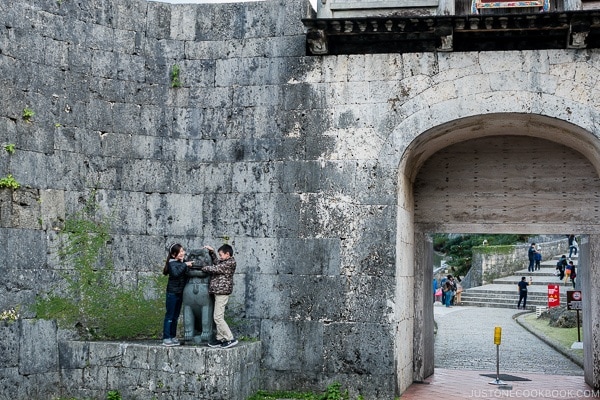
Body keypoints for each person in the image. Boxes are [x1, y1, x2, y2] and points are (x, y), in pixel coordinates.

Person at [201, 244, 238, 349]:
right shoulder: (226, 261)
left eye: (221, 255)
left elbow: (216, 268)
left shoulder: (230, 263)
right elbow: (217, 263)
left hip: (222, 293)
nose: (220, 257)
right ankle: (220, 338)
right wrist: (212, 252)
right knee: (218, 316)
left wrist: (201, 267)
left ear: (228, 254)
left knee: (218, 317)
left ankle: (230, 338)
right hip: (218, 292)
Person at [162, 243, 193, 347]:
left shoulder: (182, 262)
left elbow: (187, 273)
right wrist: (185, 265)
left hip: (180, 293)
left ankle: (173, 336)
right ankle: (166, 337)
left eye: (182, 251)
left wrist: (186, 264)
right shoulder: (172, 264)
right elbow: (176, 274)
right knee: (169, 316)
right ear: (174, 254)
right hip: (172, 293)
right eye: (179, 252)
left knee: (175, 316)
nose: (182, 253)